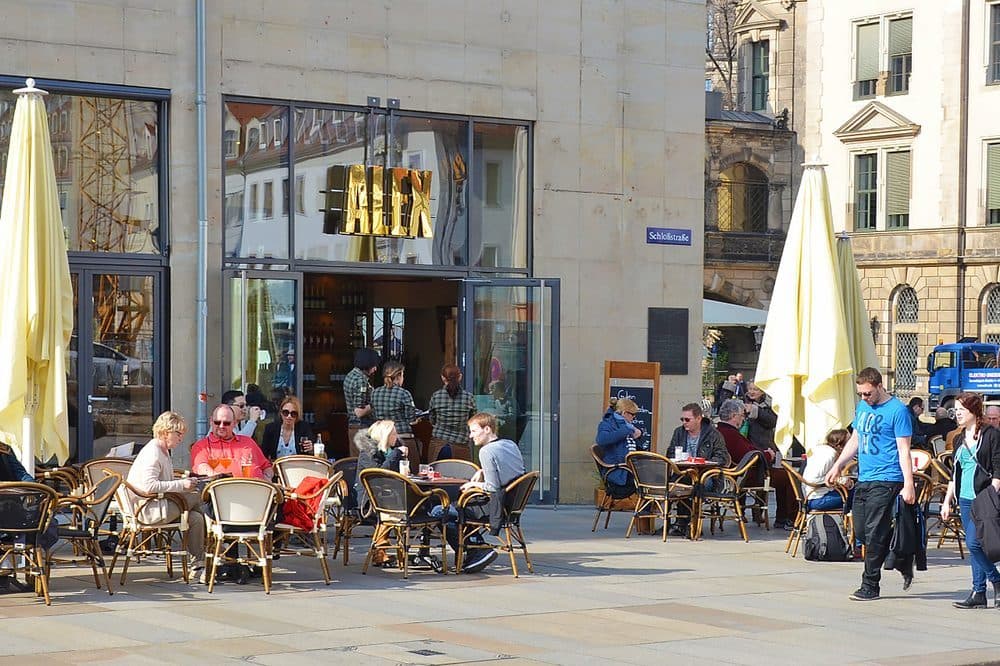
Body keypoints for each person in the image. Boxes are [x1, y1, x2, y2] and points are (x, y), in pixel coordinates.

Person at [825, 367, 916, 602]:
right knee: (863, 531)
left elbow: (904, 449)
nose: (864, 398)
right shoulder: (863, 407)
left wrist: (909, 484)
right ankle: (901, 556)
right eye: (860, 394)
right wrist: (839, 466)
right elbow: (856, 439)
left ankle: (870, 585)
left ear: (879, 386)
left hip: (887, 478)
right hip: (864, 477)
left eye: (868, 393)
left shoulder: (898, 411)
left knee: (875, 532)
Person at [433, 412, 525, 573]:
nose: (470, 436)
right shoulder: (510, 444)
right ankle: (477, 548)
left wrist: (472, 486)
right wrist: (483, 470)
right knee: (456, 509)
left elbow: (492, 487)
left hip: (494, 506)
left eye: (474, 431)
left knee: (440, 510)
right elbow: (511, 470)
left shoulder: (486, 451)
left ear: (487, 429)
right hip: (511, 505)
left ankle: (477, 550)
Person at [127, 411, 207, 583]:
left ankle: (199, 564)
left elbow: (163, 482)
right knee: (202, 495)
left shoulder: (161, 450)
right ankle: (220, 547)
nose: (181, 438)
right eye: (178, 434)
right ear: (165, 432)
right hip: (149, 510)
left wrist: (181, 482)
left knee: (196, 518)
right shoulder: (154, 453)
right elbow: (150, 486)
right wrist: (181, 485)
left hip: (159, 505)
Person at [940, 392, 1000, 609]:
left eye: (961, 411)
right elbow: (954, 473)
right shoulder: (957, 439)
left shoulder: (990, 434)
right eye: (955, 411)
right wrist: (947, 501)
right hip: (964, 498)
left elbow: (997, 467)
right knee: (976, 546)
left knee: (974, 544)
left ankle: (995, 579)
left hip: (983, 498)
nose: (957, 414)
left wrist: (992, 494)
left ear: (974, 412)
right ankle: (979, 592)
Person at [666, 402, 731, 536]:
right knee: (676, 484)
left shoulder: (713, 434)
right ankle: (680, 522)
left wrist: (703, 462)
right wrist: (679, 459)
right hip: (683, 473)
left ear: (699, 418)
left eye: (687, 419)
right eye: (682, 419)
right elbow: (670, 453)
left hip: (706, 476)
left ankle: (692, 524)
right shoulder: (679, 432)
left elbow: (722, 457)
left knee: (696, 485)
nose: (684, 423)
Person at [353, 420, 411, 567]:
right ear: (384, 436)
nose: (396, 436)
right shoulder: (368, 452)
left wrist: (402, 459)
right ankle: (380, 551)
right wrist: (397, 454)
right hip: (368, 500)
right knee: (392, 511)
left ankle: (380, 551)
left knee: (400, 506)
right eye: (393, 434)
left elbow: (401, 473)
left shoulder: (393, 450)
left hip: (388, 495)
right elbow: (379, 475)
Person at [744, 384, 797, 530]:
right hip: (750, 454)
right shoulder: (741, 404)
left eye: (755, 389)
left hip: (765, 450)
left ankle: (775, 516)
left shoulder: (769, 406)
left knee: (775, 479)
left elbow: (773, 421)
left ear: (762, 392)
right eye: (750, 389)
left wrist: (756, 411)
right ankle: (782, 517)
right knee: (784, 479)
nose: (752, 392)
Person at [191, 404, 272, 480]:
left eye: (226, 423)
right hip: (223, 492)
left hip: (259, 491)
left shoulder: (248, 442)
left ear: (234, 423)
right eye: (217, 422)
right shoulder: (202, 446)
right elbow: (202, 468)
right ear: (211, 421)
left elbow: (266, 466)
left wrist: (267, 480)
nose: (221, 426)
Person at [371, 360, 420, 461]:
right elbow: (411, 419)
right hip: (403, 438)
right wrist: (418, 418)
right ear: (398, 376)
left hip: (383, 440)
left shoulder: (375, 393)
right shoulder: (404, 393)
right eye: (402, 375)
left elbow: (374, 414)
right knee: (410, 470)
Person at [428, 364, 476, 462]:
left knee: (435, 476)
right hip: (461, 446)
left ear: (443, 378)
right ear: (460, 377)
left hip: (439, 445)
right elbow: (473, 420)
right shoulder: (469, 397)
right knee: (462, 477)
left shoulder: (436, 396)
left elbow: (432, 419)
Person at [594, 398, 642, 497]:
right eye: (633, 415)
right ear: (624, 413)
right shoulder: (607, 424)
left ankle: (649, 509)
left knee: (658, 476)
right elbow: (601, 440)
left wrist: (638, 435)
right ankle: (646, 510)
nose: (634, 418)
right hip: (619, 473)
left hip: (632, 468)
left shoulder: (627, 426)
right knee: (652, 480)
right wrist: (626, 430)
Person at [802, 429, 854, 512]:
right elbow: (812, 479)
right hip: (817, 499)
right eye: (849, 443)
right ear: (840, 446)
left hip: (819, 495)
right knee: (859, 495)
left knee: (856, 491)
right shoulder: (828, 455)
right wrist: (839, 480)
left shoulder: (824, 450)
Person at [344, 348, 380, 456]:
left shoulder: (350, 376)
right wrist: (375, 403)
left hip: (353, 427)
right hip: (362, 428)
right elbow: (359, 411)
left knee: (355, 462)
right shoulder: (361, 380)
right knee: (366, 463)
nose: (375, 369)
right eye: (374, 365)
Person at [261, 395, 314, 461]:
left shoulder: (304, 428)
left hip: (298, 468)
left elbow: (311, 454)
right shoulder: (271, 428)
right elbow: (263, 454)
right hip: (276, 469)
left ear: (297, 415)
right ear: (281, 413)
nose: (289, 416)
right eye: (286, 412)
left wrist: (311, 449)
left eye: (293, 413)